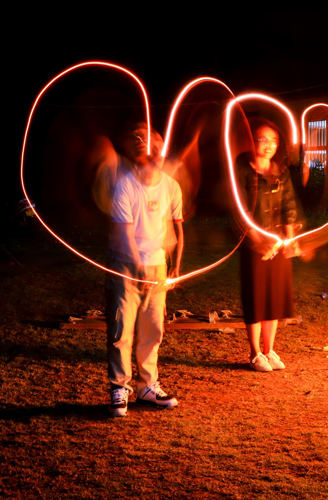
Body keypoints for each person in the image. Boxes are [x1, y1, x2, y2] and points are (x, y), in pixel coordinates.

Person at [106, 122, 184, 417]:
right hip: (124, 263)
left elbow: (176, 227)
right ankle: (119, 387)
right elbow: (125, 233)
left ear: (159, 147)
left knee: (153, 328)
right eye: (136, 137)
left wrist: (174, 265)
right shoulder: (125, 185)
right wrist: (137, 266)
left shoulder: (170, 186)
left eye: (148, 138)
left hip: (157, 264)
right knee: (121, 329)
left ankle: (147, 387)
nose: (142, 142)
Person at [236, 120, 301, 372]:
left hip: (277, 243)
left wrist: (289, 237)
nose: (268, 146)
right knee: (256, 297)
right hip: (255, 246)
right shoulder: (242, 170)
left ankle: (269, 349)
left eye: (273, 141)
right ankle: (254, 353)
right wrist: (257, 240)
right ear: (253, 142)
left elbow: (289, 206)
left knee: (274, 297)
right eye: (262, 140)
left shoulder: (280, 172)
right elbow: (240, 210)